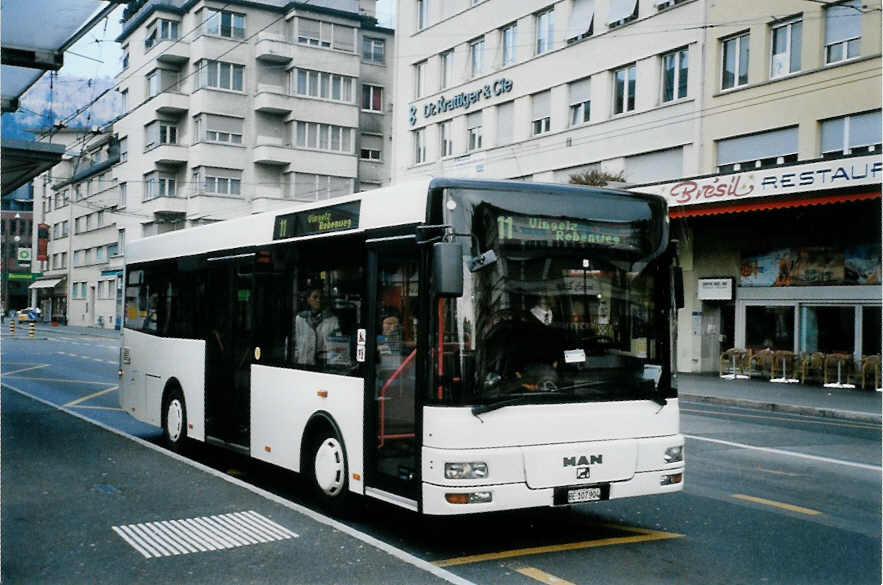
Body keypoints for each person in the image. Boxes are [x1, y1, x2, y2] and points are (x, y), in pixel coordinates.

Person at [294, 287, 342, 366]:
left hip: (324, 365)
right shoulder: (300, 319)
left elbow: (338, 346)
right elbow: (297, 343)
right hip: (304, 364)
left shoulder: (332, 320)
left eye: (321, 298)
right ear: (308, 300)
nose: (318, 300)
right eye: (315, 297)